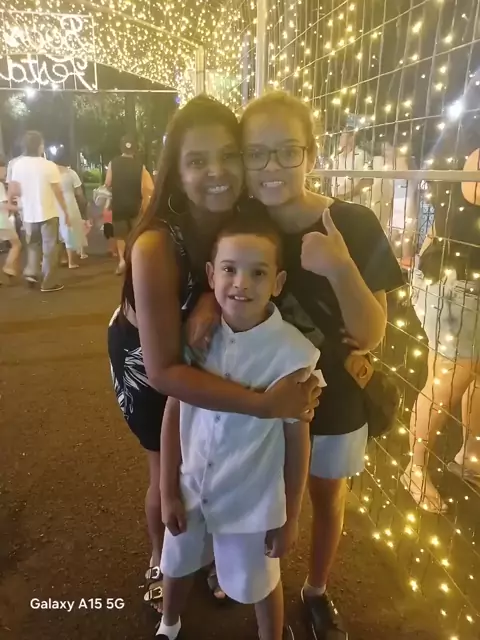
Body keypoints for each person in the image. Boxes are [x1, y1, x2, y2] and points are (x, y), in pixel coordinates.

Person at [107, 95, 321, 615]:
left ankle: (212, 549)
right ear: (176, 172)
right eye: (197, 161)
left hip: (213, 348)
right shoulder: (155, 244)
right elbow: (164, 372)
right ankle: (164, 560)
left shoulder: (244, 214)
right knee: (169, 467)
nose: (217, 172)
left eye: (228, 155)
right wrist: (265, 405)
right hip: (149, 358)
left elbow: (233, 272)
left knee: (217, 451)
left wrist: (207, 298)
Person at [236, 92, 403, 638]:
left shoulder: (351, 222)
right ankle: (259, 588)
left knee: (327, 496)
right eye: (257, 153)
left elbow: (372, 332)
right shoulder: (239, 223)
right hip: (260, 397)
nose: (272, 166)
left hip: (335, 401)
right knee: (261, 493)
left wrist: (340, 266)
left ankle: (316, 589)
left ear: (311, 153)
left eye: (288, 151)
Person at [159, 213, 324, 640]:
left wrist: (290, 516)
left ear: (278, 282)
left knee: (261, 580)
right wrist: (167, 489)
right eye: (229, 269)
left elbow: (297, 439)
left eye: (258, 273)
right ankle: (168, 624)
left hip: (252, 499)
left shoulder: (294, 354)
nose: (241, 284)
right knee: (176, 563)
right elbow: (174, 408)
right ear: (211, 274)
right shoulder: (197, 336)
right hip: (191, 484)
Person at [405, 148, 480, 511]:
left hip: (456, 283)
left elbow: (440, 224)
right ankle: (415, 469)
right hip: (458, 289)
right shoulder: (473, 153)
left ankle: (471, 456)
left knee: (472, 375)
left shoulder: (463, 146)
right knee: (445, 384)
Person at [7, 131, 70, 292]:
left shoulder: (17, 165)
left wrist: (11, 204)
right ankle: (48, 282)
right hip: (48, 212)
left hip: (27, 213)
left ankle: (31, 271)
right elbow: (58, 192)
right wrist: (66, 211)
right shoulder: (49, 165)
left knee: (33, 245)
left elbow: (13, 188)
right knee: (50, 248)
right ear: (40, 146)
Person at [105, 136, 154, 275]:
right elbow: (148, 187)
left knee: (120, 236)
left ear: (121, 148)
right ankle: (135, 261)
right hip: (135, 206)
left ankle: (122, 261)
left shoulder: (113, 163)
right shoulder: (140, 166)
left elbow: (108, 183)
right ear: (134, 149)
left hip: (118, 205)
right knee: (136, 235)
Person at [55, 148, 88, 269]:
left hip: (54, 203)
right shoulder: (71, 173)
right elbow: (79, 192)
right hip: (69, 203)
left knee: (57, 230)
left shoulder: (51, 173)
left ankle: (60, 258)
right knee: (70, 230)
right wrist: (84, 203)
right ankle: (71, 261)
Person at [331, 118, 373, 206]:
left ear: (352, 138)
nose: (340, 138)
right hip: (336, 203)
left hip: (354, 204)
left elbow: (367, 181)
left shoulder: (361, 155)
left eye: (343, 135)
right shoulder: (337, 158)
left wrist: (346, 196)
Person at [0, 157, 22, 282]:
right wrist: (21, 208)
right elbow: (4, 205)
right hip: (2, 222)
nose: (5, 173)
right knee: (16, 244)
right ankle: (8, 266)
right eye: (3, 170)